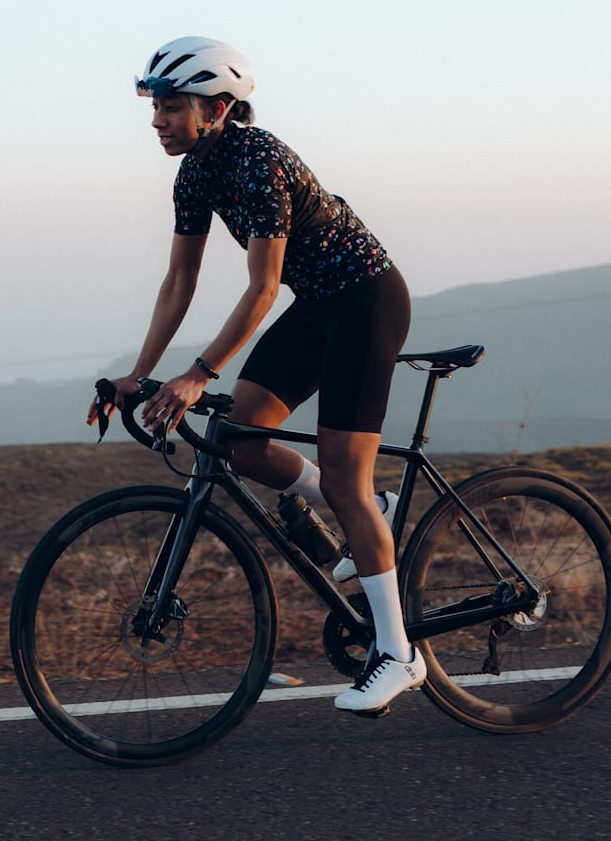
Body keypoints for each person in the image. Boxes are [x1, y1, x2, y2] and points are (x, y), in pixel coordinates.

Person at [88, 35, 422, 715]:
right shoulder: (195, 175)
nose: (157, 120)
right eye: (154, 106)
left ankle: (398, 653)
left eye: (171, 107)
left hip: (365, 304)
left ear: (216, 108)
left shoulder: (257, 161)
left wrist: (198, 373)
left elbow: (262, 288)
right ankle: (367, 515)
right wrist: (140, 373)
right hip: (318, 309)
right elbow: (180, 280)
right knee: (242, 442)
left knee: (344, 475)